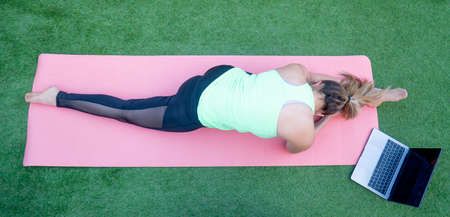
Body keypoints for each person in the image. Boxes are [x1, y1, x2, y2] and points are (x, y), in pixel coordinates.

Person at [24, 64, 407, 153]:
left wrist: (326, 91)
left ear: (323, 84)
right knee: (126, 112)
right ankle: (58, 97)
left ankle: (57, 98)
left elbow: (316, 81)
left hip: (212, 76)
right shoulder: (305, 130)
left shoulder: (298, 72)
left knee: (256, 78)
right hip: (191, 109)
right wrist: (320, 121)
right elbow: (292, 149)